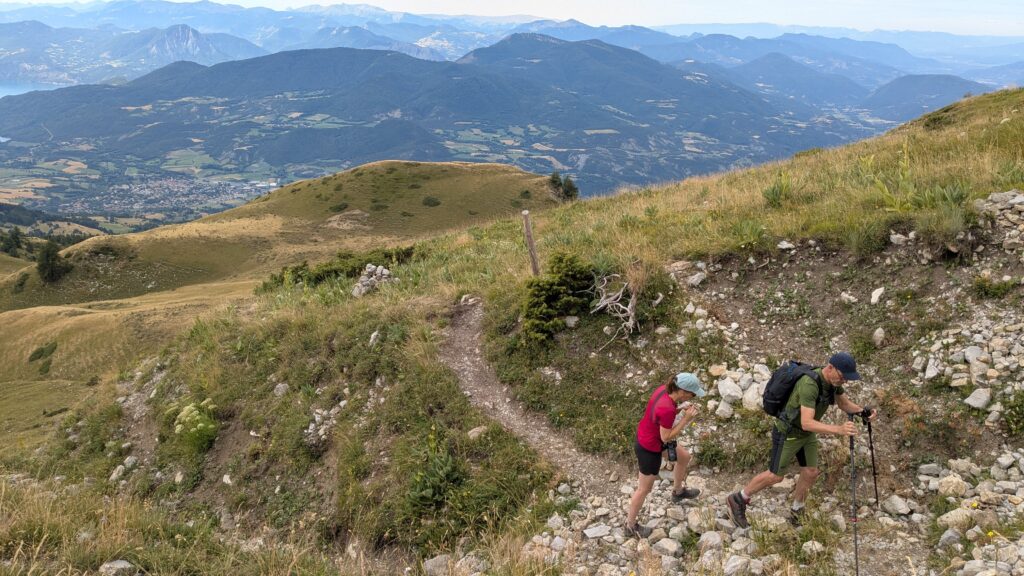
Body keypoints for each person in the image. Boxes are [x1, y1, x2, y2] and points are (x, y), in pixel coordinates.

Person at [726, 352, 877, 528]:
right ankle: (738, 498)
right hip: (788, 433)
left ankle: (797, 510)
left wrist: (862, 411)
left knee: (811, 472)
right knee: (775, 476)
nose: (845, 381)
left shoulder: (833, 383)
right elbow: (807, 422)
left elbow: (844, 404)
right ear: (830, 368)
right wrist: (838, 430)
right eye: (843, 377)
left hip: (806, 435)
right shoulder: (809, 384)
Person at [625, 372, 706, 538]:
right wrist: (686, 419)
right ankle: (630, 526)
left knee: (684, 457)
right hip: (649, 448)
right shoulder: (667, 408)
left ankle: (678, 491)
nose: (694, 396)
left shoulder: (663, 390)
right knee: (644, 489)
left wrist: (679, 410)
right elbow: (666, 437)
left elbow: (661, 415)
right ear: (682, 391)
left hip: (650, 437)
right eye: (692, 394)